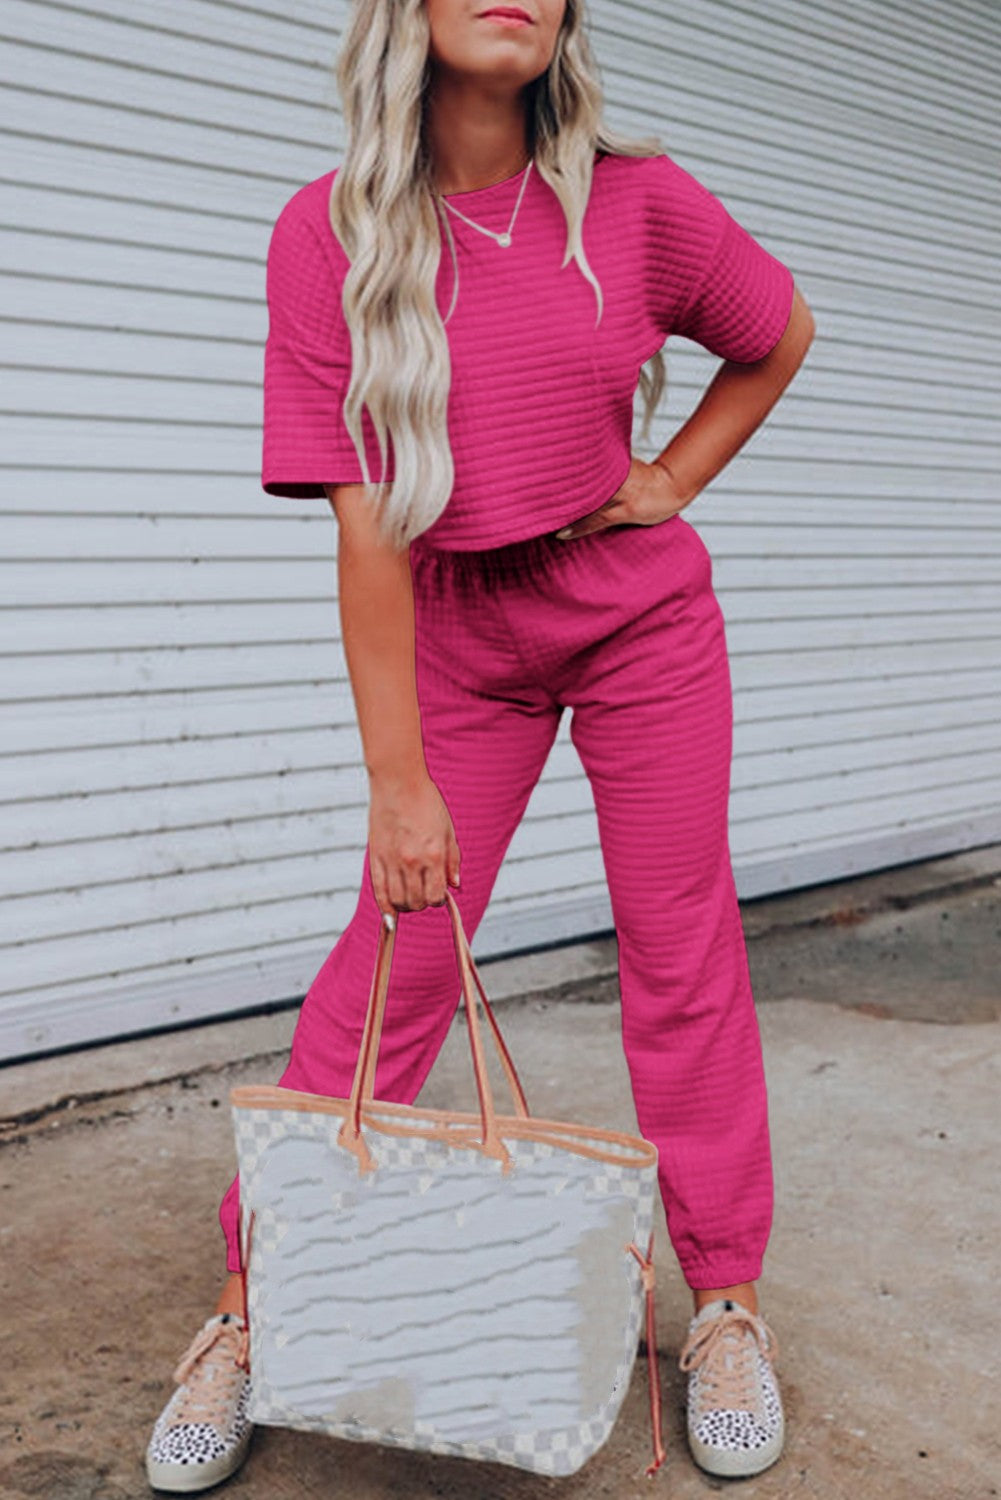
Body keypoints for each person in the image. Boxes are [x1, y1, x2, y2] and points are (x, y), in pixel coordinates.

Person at [145, 0, 815, 1490]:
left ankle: (719, 1303)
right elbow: (365, 525)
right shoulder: (328, 232)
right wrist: (398, 785)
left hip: (636, 622)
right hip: (455, 626)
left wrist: (665, 482)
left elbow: (776, 333)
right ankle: (257, 1307)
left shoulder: (641, 199)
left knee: (678, 942)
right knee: (398, 952)